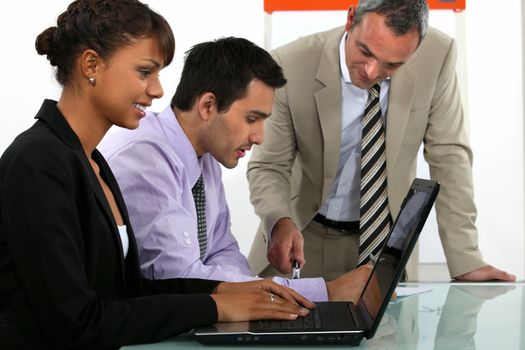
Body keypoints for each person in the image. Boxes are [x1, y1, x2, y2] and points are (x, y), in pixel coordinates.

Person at [0, 1, 313, 349]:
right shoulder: (37, 162)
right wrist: (214, 305)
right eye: (145, 72)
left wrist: (229, 292)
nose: (158, 90)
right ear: (91, 65)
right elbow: (77, 323)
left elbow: (128, 294)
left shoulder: (93, 162)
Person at [246, 0, 515, 282]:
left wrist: (466, 260)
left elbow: (449, 157)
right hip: (303, 238)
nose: (372, 72)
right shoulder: (290, 63)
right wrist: (279, 222)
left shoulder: (438, 56)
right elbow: (268, 166)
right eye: (365, 52)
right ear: (351, 19)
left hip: (385, 244)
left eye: (392, 64)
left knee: (391, 326)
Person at [99, 37, 372, 305]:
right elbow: (179, 279)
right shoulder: (145, 158)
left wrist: (260, 297)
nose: (259, 137)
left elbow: (222, 251)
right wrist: (322, 293)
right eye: (252, 119)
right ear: (207, 106)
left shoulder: (204, 156)